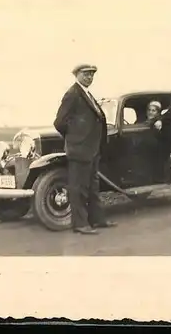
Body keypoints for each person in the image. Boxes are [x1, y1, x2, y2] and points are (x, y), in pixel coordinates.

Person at [53, 64, 118, 235]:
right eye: (86, 74)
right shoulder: (72, 94)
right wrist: (76, 138)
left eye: (92, 75)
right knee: (78, 188)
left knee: (92, 188)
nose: (89, 77)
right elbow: (59, 122)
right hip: (80, 150)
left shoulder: (86, 94)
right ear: (76, 75)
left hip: (92, 150)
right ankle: (80, 224)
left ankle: (97, 220)